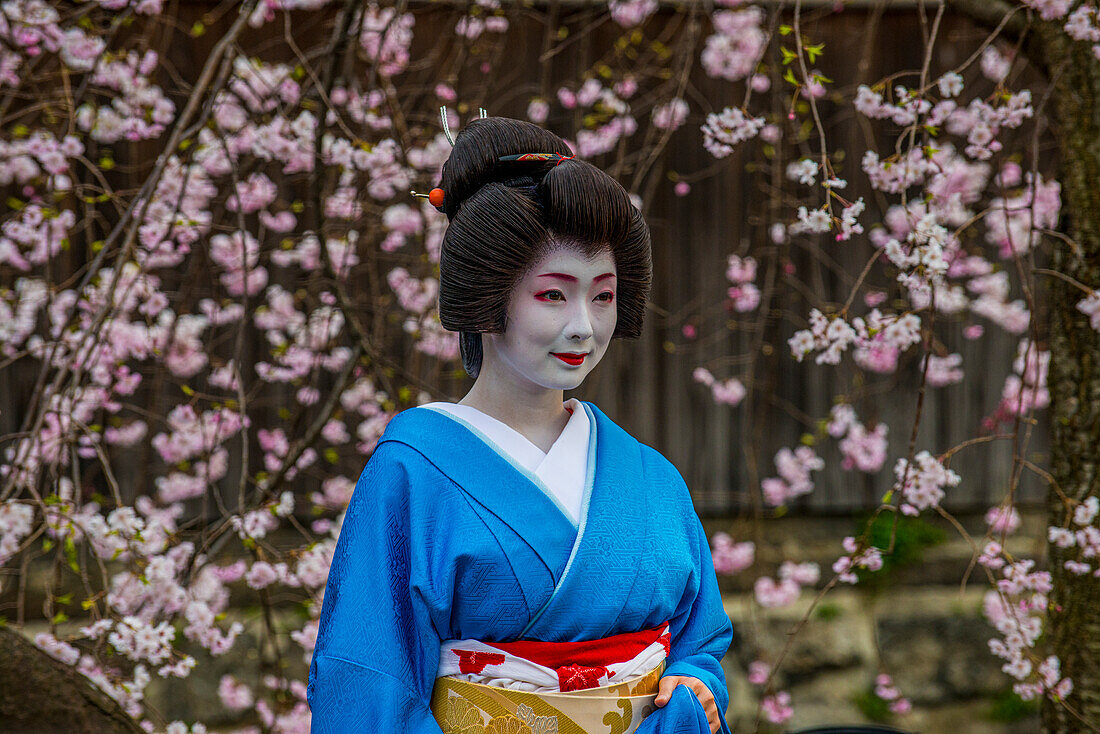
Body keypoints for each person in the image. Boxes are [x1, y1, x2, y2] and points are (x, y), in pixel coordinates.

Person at [307, 117, 732, 734]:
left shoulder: (650, 477)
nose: (584, 326)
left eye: (603, 296)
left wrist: (695, 687)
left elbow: (700, 644)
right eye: (553, 296)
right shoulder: (412, 471)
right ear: (486, 297)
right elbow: (368, 686)